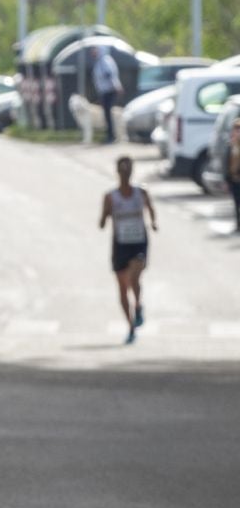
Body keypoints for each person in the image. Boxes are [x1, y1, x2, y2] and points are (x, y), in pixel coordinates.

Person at [100, 155, 158, 344]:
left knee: (134, 277)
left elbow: (150, 209)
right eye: (122, 170)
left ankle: (139, 306)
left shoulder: (141, 193)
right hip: (120, 244)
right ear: (117, 172)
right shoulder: (110, 197)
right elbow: (101, 221)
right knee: (123, 287)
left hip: (138, 241)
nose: (125, 174)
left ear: (132, 172)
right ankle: (131, 326)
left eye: (128, 170)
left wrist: (153, 222)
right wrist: (106, 215)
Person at [93, 47, 124, 144]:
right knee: (106, 114)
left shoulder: (105, 61)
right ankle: (109, 134)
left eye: (95, 50)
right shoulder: (100, 61)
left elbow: (110, 74)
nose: (93, 53)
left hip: (109, 90)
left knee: (108, 113)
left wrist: (117, 86)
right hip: (104, 91)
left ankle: (112, 136)